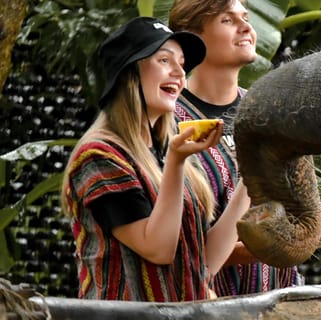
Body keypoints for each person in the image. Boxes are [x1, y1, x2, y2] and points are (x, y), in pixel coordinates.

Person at [168, 0, 321, 296]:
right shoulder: (169, 123)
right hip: (210, 305)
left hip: (283, 302)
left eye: (246, 17)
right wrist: (275, 245)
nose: (246, 27)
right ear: (190, 37)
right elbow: (179, 250)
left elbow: (292, 229)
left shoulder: (271, 115)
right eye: (227, 20)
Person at [60, 16, 245, 301]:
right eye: (164, 60)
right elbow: (158, 249)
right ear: (129, 73)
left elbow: (204, 263)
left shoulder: (172, 150)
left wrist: (252, 178)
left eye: (182, 64)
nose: (180, 73)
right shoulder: (98, 157)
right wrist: (176, 162)